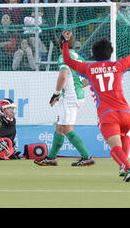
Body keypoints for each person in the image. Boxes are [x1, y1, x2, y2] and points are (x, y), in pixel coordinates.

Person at [59, 20, 130, 182]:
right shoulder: (118, 65)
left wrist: (65, 43)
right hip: (126, 113)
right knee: (124, 135)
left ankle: (128, 168)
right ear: (110, 53)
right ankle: (123, 166)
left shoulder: (89, 68)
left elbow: (68, 62)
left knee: (113, 149)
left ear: (94, 54)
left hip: (107, 114)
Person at [34, 32, 95, 167]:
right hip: (75, 96)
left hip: (70, 98)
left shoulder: (64, 57)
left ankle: (87, 157)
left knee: (67, 128)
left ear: (61, 44)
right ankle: (51, 158)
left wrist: (56, 93)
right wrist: (70, 90)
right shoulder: (80, 58)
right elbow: (87, 80)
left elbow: (63, 76)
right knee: (60, 128)